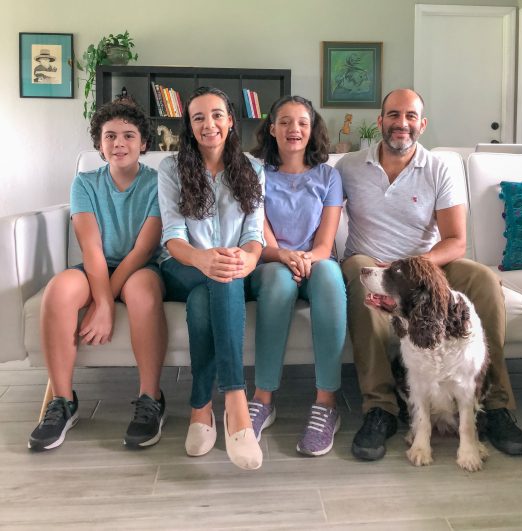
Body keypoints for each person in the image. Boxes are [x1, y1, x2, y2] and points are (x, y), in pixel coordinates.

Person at [336, 88, 522, 461]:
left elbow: (456, 240)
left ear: (422, 124)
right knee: (360, 275)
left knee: (483, 280)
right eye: (394, 115)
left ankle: (495, 404)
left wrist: (416, 269)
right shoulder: (349, 166)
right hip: (370, 262)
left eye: (410, 116)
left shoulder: (440, 168)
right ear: (380, 121)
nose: (402, 123)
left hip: (427, 266)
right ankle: (381, 408)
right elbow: (322, 210)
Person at [28, 99, 168, 451]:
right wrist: (102, 300)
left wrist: (105, 301)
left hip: (140, 266)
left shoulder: (158, 183)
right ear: (99, 144)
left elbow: (143, 250)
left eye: (128, 136)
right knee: (59, 290)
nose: (119, 143)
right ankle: (62, 401)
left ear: (143, 143)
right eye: (110, 136)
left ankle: (150, 398)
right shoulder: (84, 184)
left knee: (142, 292)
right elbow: (91, 249)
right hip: (96, 266)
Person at [158, 86, 265, 470]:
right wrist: (202, 259)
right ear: (189, 125)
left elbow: (254, 234)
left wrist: (248, 259)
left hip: (232, 271)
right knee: (219, 276)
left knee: (216, 287)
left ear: (230, 120)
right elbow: (173, 236)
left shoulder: (253, 169)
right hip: (183, 265)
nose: (209, 124)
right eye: (198, 117)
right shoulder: (171, 168)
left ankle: (201, 407)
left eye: (217, 115)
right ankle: (236, 403)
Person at [248, 96, 347, 456]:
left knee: (331, 277)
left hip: (315, 260)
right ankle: (262, 398)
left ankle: (326, 402)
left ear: (312, 129)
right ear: (272, 129)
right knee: (278, 280)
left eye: (302, 122)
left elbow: (325, 242)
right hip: (271, 261)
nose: (294, 129)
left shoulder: (329, 176)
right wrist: (284, 256)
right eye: (285, 122)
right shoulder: (256, 173)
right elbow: (259, 234)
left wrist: (306, 259)